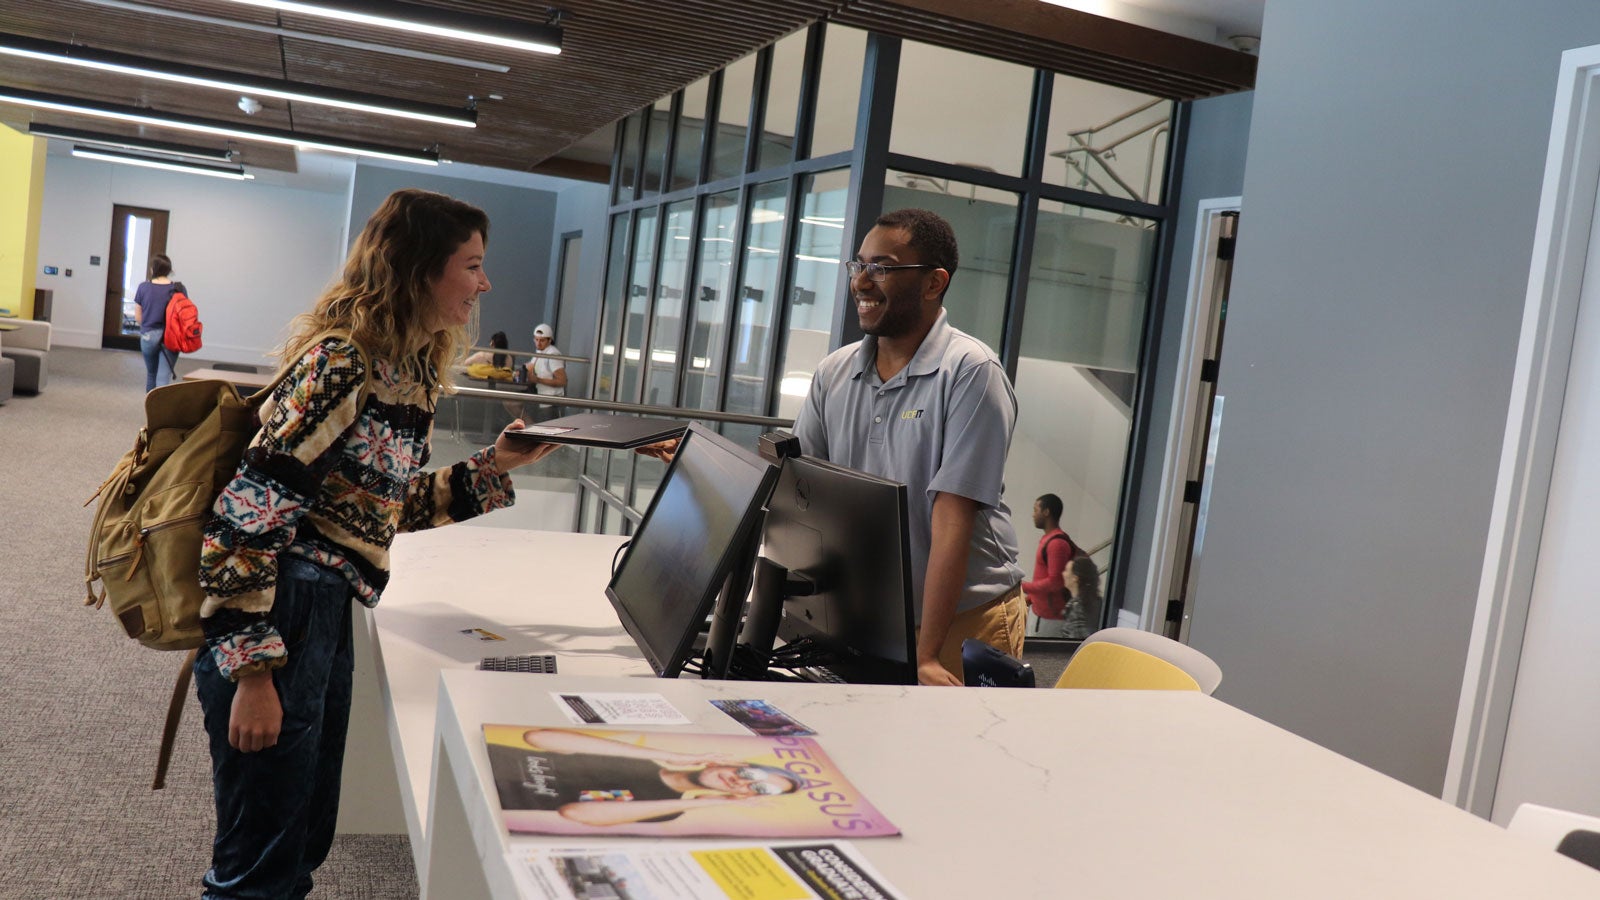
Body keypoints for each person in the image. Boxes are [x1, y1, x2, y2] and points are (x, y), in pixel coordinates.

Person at [193, 189, 561, 900]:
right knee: (256, 867)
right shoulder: (343, 364)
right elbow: (244, 517)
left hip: (323, 612)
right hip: (279, 613)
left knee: (299, 844)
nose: (484, 285)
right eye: (472, 266)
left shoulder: (406, 371)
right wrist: (252, 672)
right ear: (420, 268)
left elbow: (376, 510)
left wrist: (497, 465)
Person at [792, 208, 1025, 686]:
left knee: (951, 758)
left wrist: (926, 656)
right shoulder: (835, 372)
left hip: (962, 620)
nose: (861, 282)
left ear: (933, 283)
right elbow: (801, 488)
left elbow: (952, 519)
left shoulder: (971, 372)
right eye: (859, 266)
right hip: (873, 616)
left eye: (882, 267)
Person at [491, 727, 801, 829]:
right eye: (749, 774)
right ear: (735, 764)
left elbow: (573, 812)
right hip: (484, 756)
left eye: (757, 789)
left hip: (490, 794)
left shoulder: (668, 809)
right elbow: (539, 738)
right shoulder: (639, 760)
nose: (741, 782)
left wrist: (708, 803)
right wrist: (670, 757)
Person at [1021, 493, 1076, 638]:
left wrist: (1023, 587)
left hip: (1049, 621)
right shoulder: (1048, 539)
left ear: (1046, 512)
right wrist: (1030, 598)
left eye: (1035, 510)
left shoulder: (1056, 544)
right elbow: (1044, 577)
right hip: (1039, 615)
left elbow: (1055, 582)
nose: (1033, 515)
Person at [133, 253, 178, 391]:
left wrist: (148, 327)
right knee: (163, 378)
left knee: (151, 374)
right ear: (169, 270)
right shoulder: (178, 289)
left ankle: (150, 410)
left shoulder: (143, 287)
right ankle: (162, 411)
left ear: (153, 269)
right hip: (170, 337)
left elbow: (138, 317)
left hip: (148, 336)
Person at [522, 322, 568, 422]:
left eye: (542, 340)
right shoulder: (539, 352)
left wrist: (538, 379)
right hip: (540, 399)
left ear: (549, 340)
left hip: (550, 402)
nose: (538, 343)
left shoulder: (553, 355)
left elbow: (562, 381)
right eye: (536, 340)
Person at [1062, 555, 1104, 641]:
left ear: (1075, 578)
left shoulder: (1077, 608)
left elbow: (1076, 641)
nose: (1063, 574)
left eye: (1066, 571)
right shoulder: (1098, 602)